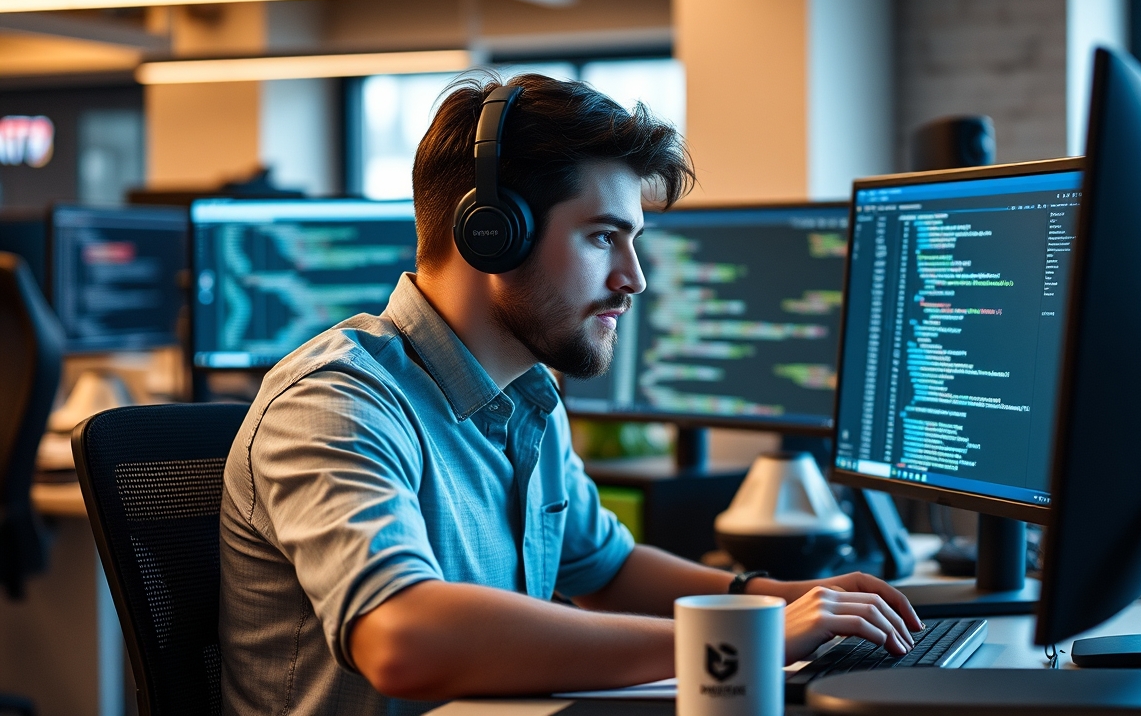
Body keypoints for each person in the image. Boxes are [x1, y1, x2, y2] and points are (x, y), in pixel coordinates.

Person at [218, 73, 921, 714]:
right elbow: (402, 640)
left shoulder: (528, 395)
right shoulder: (338, 405)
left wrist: (776, 598)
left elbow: (605, 570)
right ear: (491, 235)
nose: (634, 278)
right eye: (603, 237)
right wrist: (743, 636)